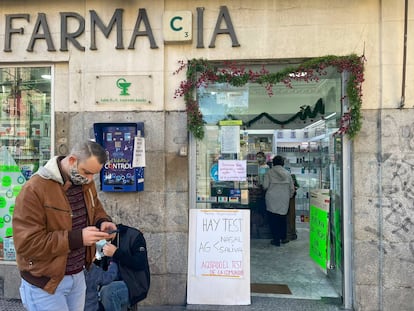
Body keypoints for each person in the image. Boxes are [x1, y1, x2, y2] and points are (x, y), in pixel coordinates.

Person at [12, 140, 117, 311]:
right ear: (72, 160)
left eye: (93, 175)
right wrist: (77, 238)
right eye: (87, 172)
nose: (89, 179)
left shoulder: (85, 183)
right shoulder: (34, 189)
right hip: (45, 282)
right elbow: (27, 244)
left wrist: (102, 222)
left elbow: (96, 209)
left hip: (78, 275)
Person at [99, 224, 150, 311]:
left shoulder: (133, 235)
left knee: (109, 292)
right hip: (109, 280)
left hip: (134, 283)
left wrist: (116, 253)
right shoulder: (101, 243)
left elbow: (140, 263)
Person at [263, 155, 295, 247]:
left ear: (273, 163)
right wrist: (289, 196)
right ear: (283, 163)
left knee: (273, 219)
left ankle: (276, 240)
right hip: (284, 198)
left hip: (272, 198)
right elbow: (292, 188)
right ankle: (284, 238)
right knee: (282, 218)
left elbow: (265, 186)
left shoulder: (269, 173)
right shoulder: (287, 173)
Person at [286, 174, 300, 241]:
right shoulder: (290, 178)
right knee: (290, 216)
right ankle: (291, 232)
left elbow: (297, 187)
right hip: (289, 198)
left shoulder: (290, 178)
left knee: (290, 216)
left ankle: (291, 232)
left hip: (289, 199)